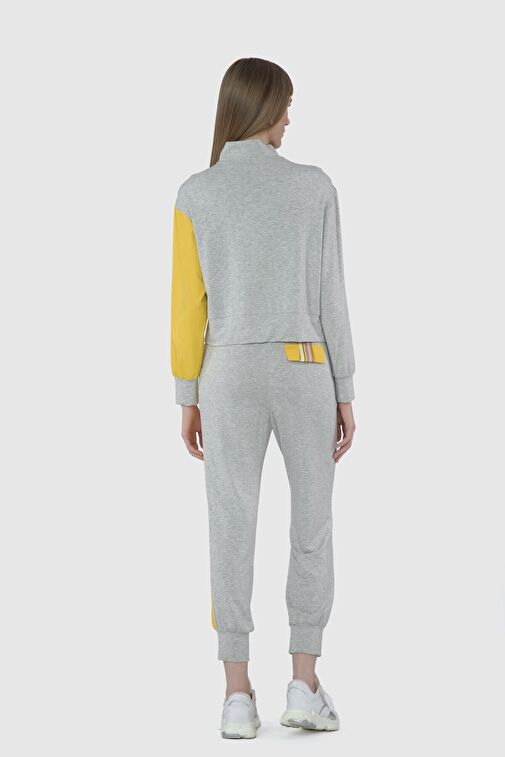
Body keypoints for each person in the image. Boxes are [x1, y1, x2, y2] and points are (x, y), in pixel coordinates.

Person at [170, 57, 356, 738]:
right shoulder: (314, 187)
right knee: (312, 522)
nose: (289, 119)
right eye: (286, 105)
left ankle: (236, 694)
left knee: (230, 523)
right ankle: (303, 683)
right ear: (267, 108)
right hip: (306, 367)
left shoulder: (196, 193)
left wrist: (187, 393)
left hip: (226, 373)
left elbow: (186, 308)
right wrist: (344, 387)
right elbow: (331, 296)